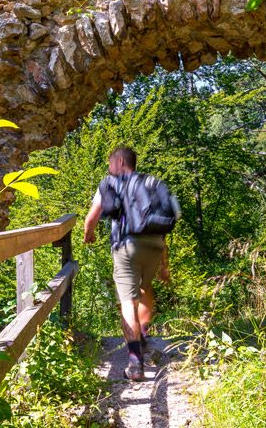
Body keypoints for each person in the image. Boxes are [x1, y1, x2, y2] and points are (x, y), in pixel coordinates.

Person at [83, 147, 170, 381]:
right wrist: (164, 263)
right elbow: (162, 224)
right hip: (155, 247)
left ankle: (134, 362)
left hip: (126, 246)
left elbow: (91, 218)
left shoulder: (112, 183)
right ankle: (142, 334)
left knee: (127, 302)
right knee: (145, 289)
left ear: (120, 162)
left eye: (110, 163)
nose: (109, 168)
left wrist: (88, 234)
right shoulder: (151, 183)